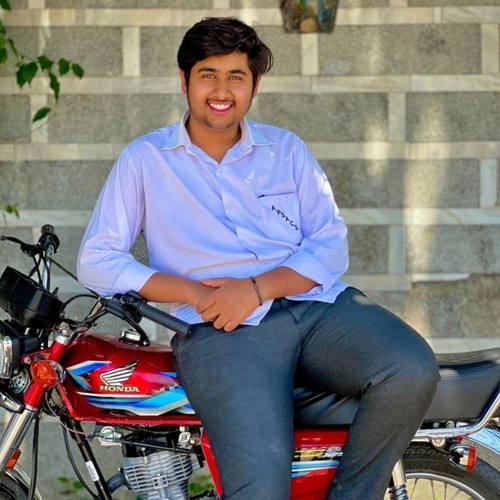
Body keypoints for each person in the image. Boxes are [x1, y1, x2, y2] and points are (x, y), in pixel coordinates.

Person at [77, 16, 440, 499]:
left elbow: (330, 243)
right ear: (184, 81)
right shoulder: (145, 160)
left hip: (314, 311)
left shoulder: (285, 150)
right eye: (208, 75)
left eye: (236, 77)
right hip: (220, 333)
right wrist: (191, 292)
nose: (221, 90)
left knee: (410, 369)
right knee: (261, 489)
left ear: (255, 85)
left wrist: (257, 289)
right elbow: (97, 259)